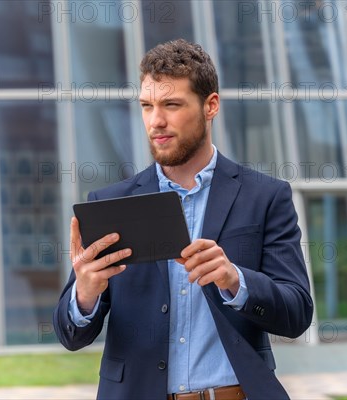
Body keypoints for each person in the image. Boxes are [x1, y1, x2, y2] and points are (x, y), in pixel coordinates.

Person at [54, 39, 313, 400]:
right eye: (147, 106)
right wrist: (84, 295)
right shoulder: (111, 203)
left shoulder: (266, 197)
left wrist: (235, 280)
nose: (156, 121)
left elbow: (297, 312)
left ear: (211, 106)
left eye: (171, 105)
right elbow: (71, 335)